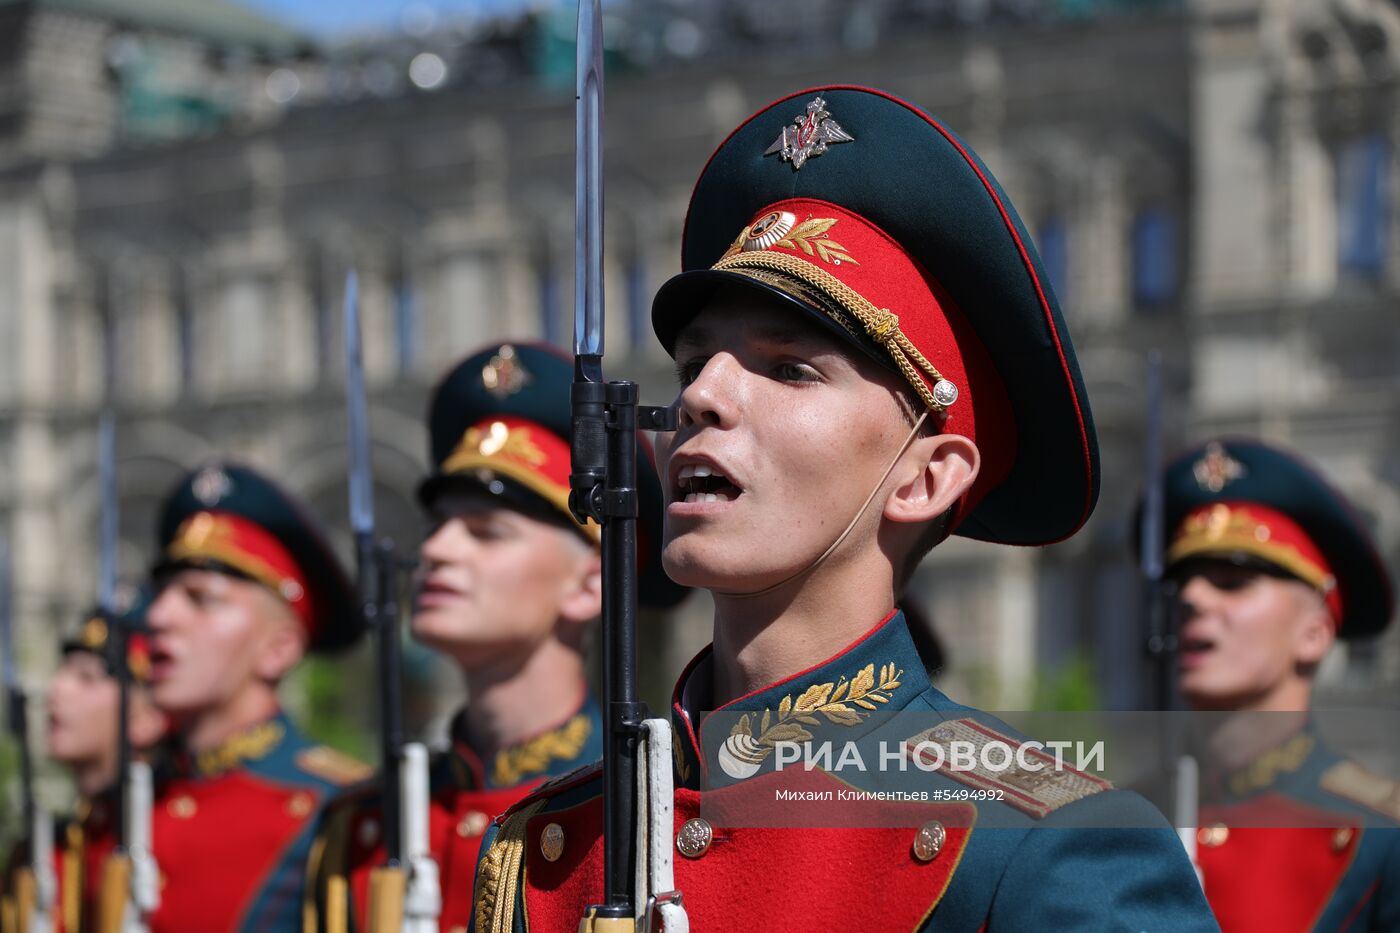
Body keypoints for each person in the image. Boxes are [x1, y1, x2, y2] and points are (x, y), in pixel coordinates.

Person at [471, 86, 1216, 931]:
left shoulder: (1054, 842)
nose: (702, 398)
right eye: (695, 365)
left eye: (789, 369)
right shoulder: (547, 848)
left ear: (924, 479)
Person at [306, 342, 684, 932]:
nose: (434, 550)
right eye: (438, 526)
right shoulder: (360, 827)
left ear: (590, 583)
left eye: (486, 532)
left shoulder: (647, 814)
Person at [1157, 437, 1398, 931]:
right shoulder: (1118, 818)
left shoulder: (1381, 833)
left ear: (1314, 633)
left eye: (1232, 582)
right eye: (1185, 582)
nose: (1193, 597)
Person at [142, 462, 370, 932]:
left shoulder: (340, 810)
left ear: (278, 649)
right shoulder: (128, 803)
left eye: (200, 598)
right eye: (160, 594)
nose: (159, 616)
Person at [1, 594, 165, 933]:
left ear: (147, 719)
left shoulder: (168, 840)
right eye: (62, 673)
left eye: (87, 678)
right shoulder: (46, 850)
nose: (56, 689)